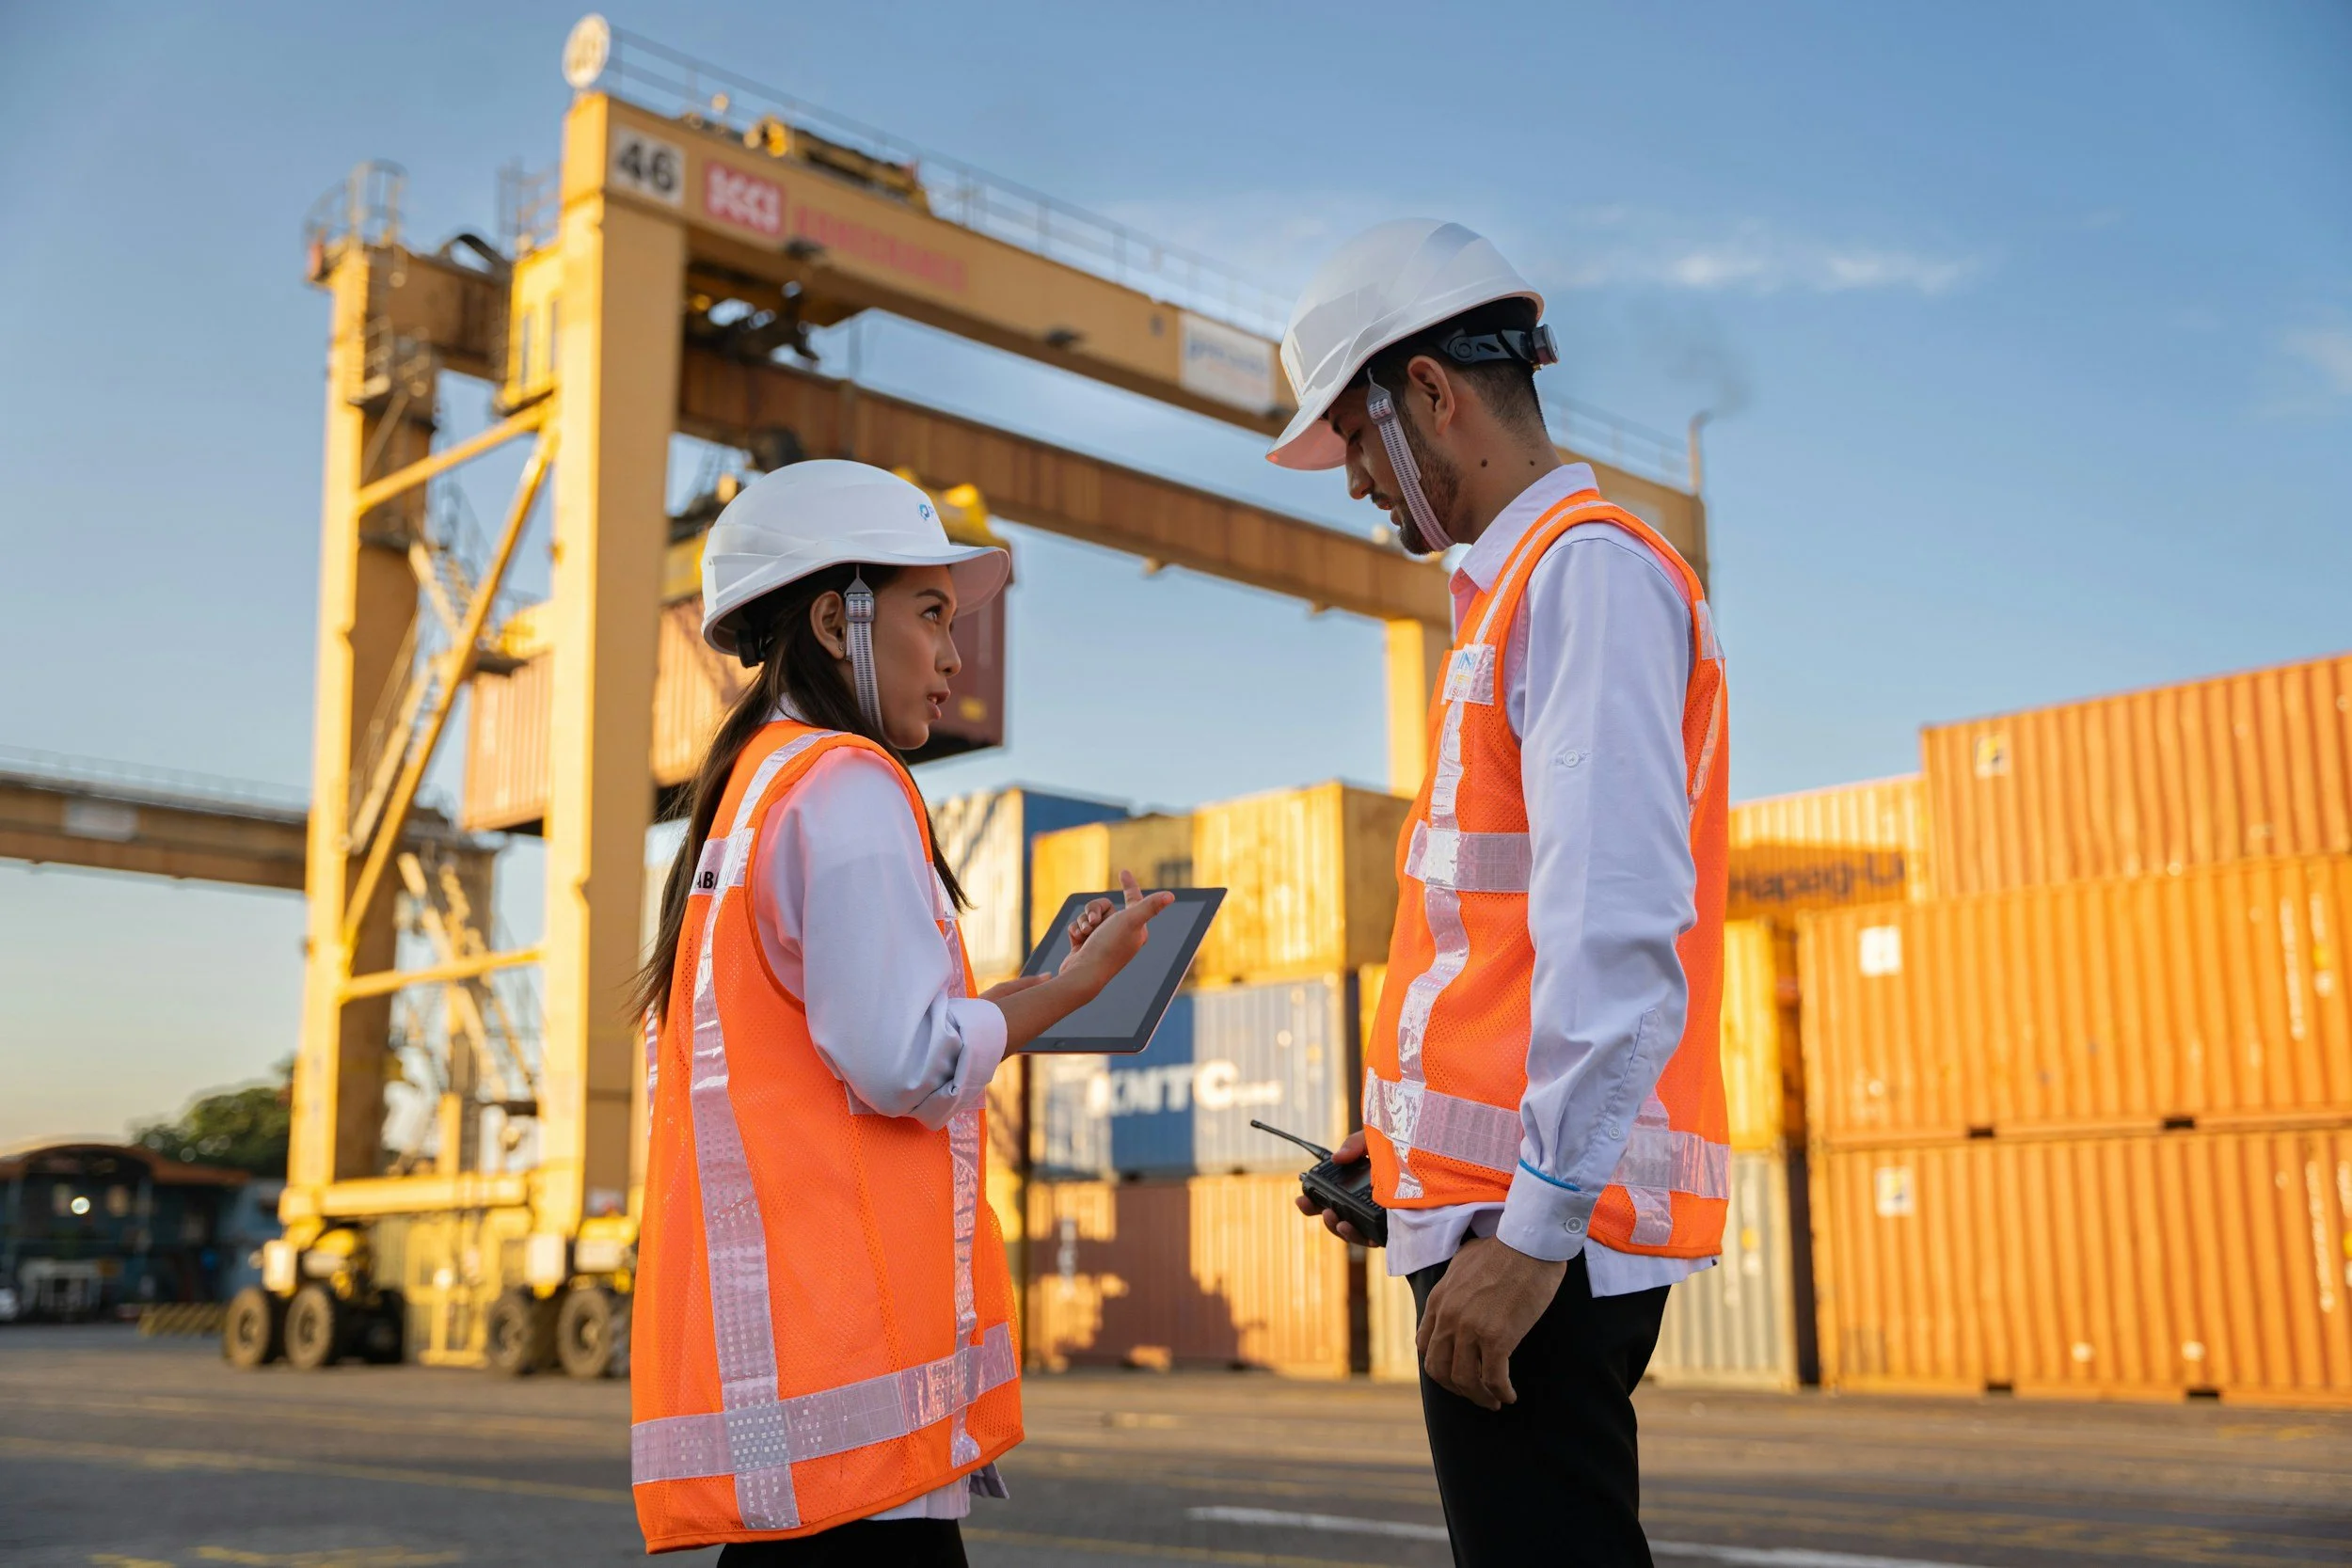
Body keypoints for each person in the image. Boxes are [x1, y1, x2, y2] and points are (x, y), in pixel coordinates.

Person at [1276, 221, 1731, 1567]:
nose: (1354, 480)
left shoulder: (1584, 575)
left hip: (1538, 1241)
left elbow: (1615, 928)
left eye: (1353, 439)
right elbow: (1502, 946)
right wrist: (1397, 1151)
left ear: (1428, 392)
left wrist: (1531, 1233)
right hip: (1499, 1208)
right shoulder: (1514, 598)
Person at [628, 460, 1172, 1564]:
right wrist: (1070, 992)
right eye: (931, 612)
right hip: (857, 1415)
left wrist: (1029, 993)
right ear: (837, 621)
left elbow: (852, 1042)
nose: (955, 655)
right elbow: (902, 1062)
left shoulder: (753, 791)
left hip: (804, 1405)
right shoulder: (847, 782)